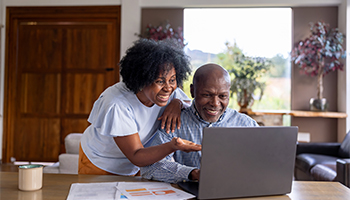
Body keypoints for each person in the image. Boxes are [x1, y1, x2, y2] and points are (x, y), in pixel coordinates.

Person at [79, 39, 201, 176]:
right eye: (160, 81)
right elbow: (136, 155)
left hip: (139, 162)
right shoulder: (117, 104)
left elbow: (187, 102)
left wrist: (176, 103)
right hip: (101, 162)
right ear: (142, 80)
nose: (168, 88)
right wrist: (173, 146)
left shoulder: (170, 93)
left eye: (172, 80)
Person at [141, 63, 259, 183]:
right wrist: (192, 173)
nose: (215, 103)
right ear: (193, 91)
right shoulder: (174, 122)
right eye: (207, 95)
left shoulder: (246, 124)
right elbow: (150, 167)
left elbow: (266, 162)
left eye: (222, 96)